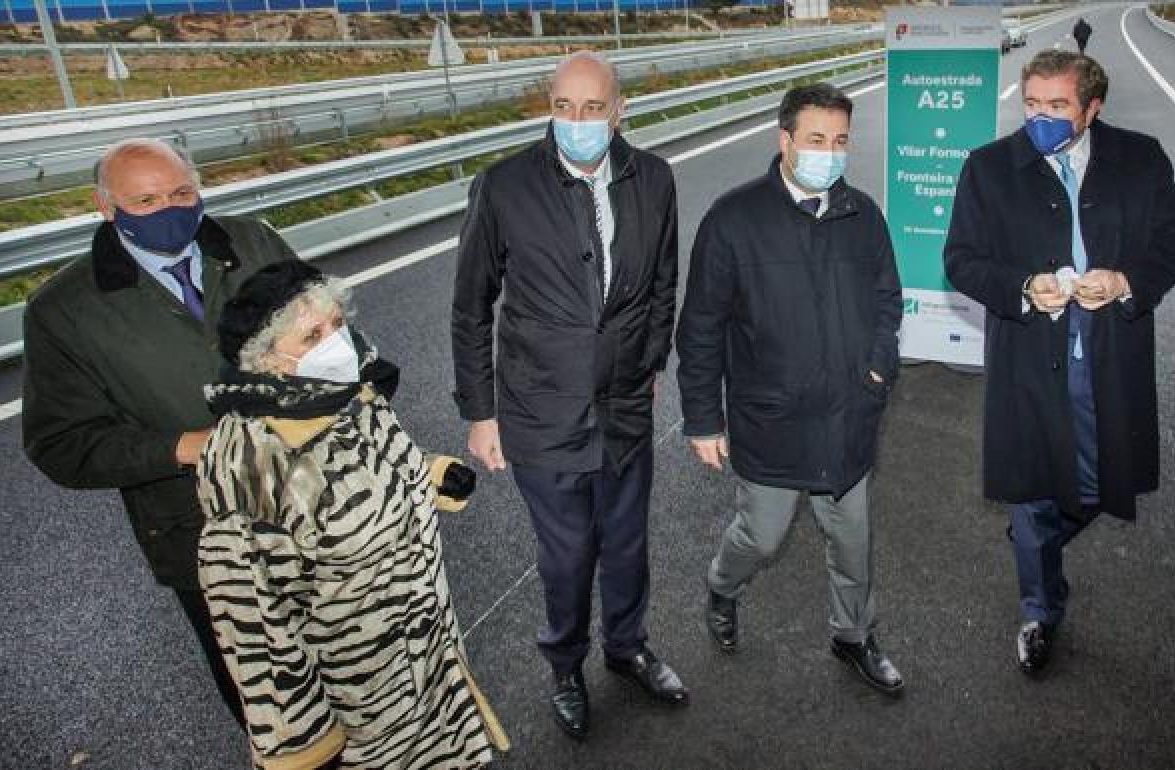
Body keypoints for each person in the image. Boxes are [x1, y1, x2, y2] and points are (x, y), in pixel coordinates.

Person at [22, 138, 299, 726]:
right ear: (107, 208)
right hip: (201, 529)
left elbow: (336, 336)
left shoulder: (254, 243)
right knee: (268, 699)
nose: (171, 210)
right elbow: (60, 444)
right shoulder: (64, 311)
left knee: (359, 656)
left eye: (181, 193)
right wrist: (178, 447)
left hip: (314, 499)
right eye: (146, 201)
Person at [943, 50, 1175, 675]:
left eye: (1057, 106)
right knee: (1031, 490)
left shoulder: (1140, 158)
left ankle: (1041, 542)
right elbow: (962, 259)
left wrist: (1125, 280)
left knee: (1095, 482)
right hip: (1030, 359)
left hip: (1110, 356)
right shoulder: (989, 167)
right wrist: (1024, 287)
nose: (1041, 119)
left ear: (1092, 108)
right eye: (1031, 104)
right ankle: (1041, 608)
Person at [451, 50, 684, 740]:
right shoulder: (503, 187)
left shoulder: (656, 180)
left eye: (591, 109)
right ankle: (564, 663)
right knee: (566, 555)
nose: (576, 123)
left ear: (619, 110)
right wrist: (479, 411)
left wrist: (649, 363)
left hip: (624, 408)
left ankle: (627, 644)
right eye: (562, 108)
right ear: (548, 108)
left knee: (626, 542)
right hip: (540, 413)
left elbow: (665, 283)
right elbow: (471, 306)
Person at [198, 260, 504, 769]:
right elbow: (256, 627)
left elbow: (366, 472)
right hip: (360, 699)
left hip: (427, 654)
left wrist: (430, 476)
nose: (334, 342)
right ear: (267, 360)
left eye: (336, 325)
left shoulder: (351, 396)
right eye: (311, 335)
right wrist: (306, 747)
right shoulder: (252, 461)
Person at [676, 83, 905, 695]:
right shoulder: (733, 219)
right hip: (771, 420)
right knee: (763, 535)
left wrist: (879, 367)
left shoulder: (862, 215)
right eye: (816, 140)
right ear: (785, 141)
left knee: (853, 540)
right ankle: (722, 587)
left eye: (839, 142)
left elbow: (888, 299)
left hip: (848, 416)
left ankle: (853, 635)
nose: (830, 153)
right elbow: (700, 329)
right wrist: (702, 420)